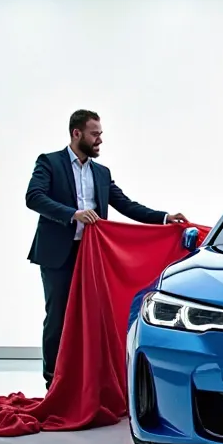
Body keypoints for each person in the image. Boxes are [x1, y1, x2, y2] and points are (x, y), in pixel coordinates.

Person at [26, 109, 187, 389]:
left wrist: (164, 218)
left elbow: (126, 205)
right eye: (94, 133)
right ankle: (53, 382)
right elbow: (34, 197)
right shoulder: (50, 162)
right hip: (57, 255)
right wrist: (73, 213)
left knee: (94, 318)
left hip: (93, 257)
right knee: (58, 318)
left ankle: (87, 381)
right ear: (77, 133)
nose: (100, 139)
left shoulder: (101, 173)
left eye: (100, 133)